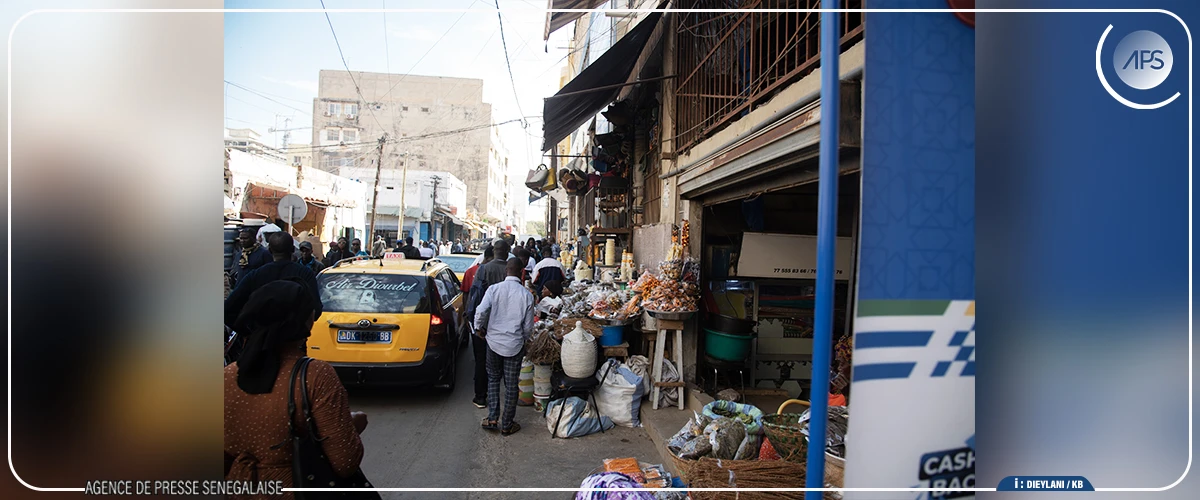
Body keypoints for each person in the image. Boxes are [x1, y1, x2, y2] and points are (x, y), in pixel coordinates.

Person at [224, 279, 367, 492]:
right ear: (307, 322)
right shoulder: (316, 376)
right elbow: (345, 462)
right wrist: (352, 426)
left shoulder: (226, 377)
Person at [473, 258, 535, 436]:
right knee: (511, 384)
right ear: (522, 272)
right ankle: (507, 424)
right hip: (514, 345)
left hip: (493, 342)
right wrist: (523, 339)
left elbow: (481, 311)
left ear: (506, 271)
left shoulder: (494, 289)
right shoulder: (527, 295)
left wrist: (479, 328)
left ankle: (492, 418)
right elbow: (528, 327)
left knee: (493, 379)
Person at [224, 232, 322, 329]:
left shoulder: (256, 275)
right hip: (292, 340)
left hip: (261, 340)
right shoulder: (304, 274)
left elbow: (228, 310)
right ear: (292, 249)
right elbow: (316, 310)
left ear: (270, 250)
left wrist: (247, 332)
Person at [466, 240, 510, 408]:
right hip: (505, 323)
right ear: (507, 251)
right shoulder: (510, 269)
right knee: (504, 363)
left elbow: (474, 298)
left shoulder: (483, 269)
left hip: (484, 324)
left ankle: (481, 397)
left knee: (481, 361)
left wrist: (475, 324)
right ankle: (506, 400)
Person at [461, 244, 492, 408]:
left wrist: (467, 316)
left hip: (477, 323)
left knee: (480, 359)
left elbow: (466, 295)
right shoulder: (493, 271)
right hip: (489, 324)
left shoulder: (471, 271)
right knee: (490, 361)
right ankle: (487, 396)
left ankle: (480, 395)